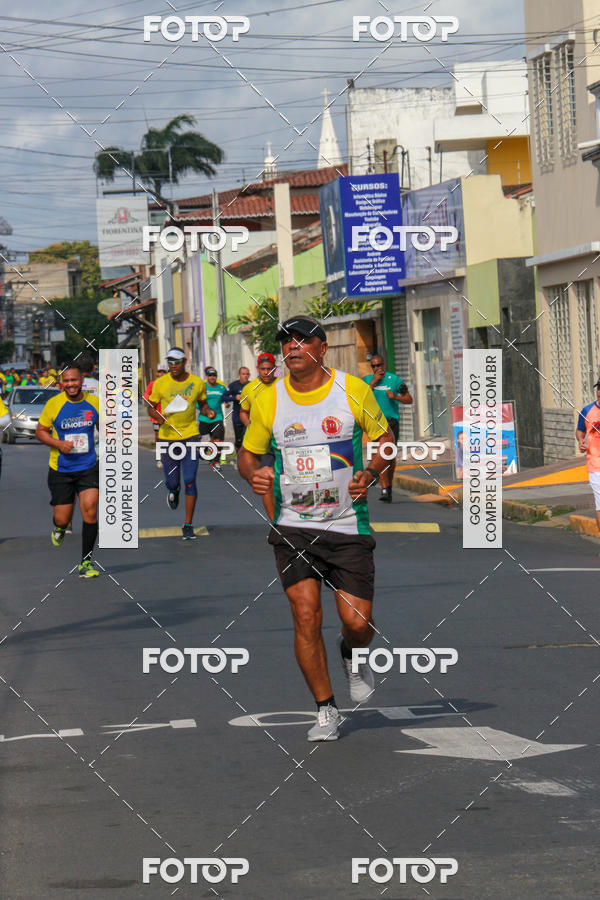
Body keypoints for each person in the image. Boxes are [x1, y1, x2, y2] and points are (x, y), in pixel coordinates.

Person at [238, 314, 394, 742]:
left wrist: (372, 471)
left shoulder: (352, 390)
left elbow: (385, 440)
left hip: (347, 525)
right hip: (293, 527)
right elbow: (248, 455)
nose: (292, 347)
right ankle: (325, 709)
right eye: (286, 342)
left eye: (302, 340)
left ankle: (352, 653)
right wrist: (255, 474)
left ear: (322, 348)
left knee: (357, 622)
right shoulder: (269, 399)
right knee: (305, 616)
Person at [35, 363, 100, 578]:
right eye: (67, 381)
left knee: (90, 508)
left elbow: (107, 428)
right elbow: (40, 432)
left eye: (75, 380)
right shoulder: (54, 404)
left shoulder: (94, 402)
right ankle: (59, 527)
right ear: (62, 383)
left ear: (82, 380)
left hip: (88, 466)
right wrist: (58, 443)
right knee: (63, 518)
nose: (71, 384)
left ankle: (86, 562)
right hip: (61, 468)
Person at [148, 347, 214, 540]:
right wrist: (158, 417)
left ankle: (188, 524)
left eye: (177, 362)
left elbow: (202, 403)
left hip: (191, 435)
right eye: (170, 362)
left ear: (185, 361)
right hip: (168, 437)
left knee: (190, 479)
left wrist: (207, 411)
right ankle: (173, 490)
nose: (173, 366)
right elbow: (150, 407)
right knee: (172, 481)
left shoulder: (197, 382)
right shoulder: (160, 383)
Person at [363, 354, 412, 502]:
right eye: (374, 366)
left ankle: (388, 487)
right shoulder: (366, 380)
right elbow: (360, 398)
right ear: (371, 367)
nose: (377, 368)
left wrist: (395, 397)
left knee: (389, 457)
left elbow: (409, 399)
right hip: (374, 422)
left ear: (384, 365)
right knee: (381, 454)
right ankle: (385, 489)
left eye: (379, 365)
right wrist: (373, 383)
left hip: (391, 422)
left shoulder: (394, 380)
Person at [240, 351, 278, 520]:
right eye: (262, 369)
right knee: (266, 483)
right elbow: (243, 411)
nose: (266, 372)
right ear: (257, 369)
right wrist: (251, 426)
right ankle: (275, 524)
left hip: (282, 440)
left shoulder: (284, 385)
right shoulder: (249, 388)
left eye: (269, 369)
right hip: (260, 444)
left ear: (274, 369)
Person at [576, 379, 600, 531]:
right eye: (598, 388)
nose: (599, 392)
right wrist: (581, 441)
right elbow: (580, 430)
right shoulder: (587, 411)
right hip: (596, 465)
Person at [198, 366, 230, 471]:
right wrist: (205, 411)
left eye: (214, 375)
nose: (212, 377)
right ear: (207, 376)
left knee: (218, 439)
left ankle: (216, 461)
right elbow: (197, 403)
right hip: (204, 419)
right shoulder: (202, 387)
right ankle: (207, 454)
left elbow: (226, 398)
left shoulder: (221, 387)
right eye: (210, 375)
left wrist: (227, 403)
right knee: (207, 441)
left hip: (218, 417)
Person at [143, 362, 167, 466]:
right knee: (158, 436)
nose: (161, 374)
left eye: (163, 372)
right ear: (157, 373)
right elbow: (145, 396)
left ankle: (169, 456)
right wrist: (152, 401)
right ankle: (160, 457)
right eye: (159, 372)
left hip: (169, 415)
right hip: (156, 415)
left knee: (169, 436)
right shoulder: (152, 384)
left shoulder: (170, 383)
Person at [227, 366, 251, 453]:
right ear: (239, 375)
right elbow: (223, 397)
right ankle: (238, 456)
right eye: (243, 374)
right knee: (239, 441)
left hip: (249, 417)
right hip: (237, 417)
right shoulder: (233, 385)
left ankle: (247, 460)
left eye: (247, 374)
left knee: (248, 439)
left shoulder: (252, 385)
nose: (245, 376)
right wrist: (234, 397)